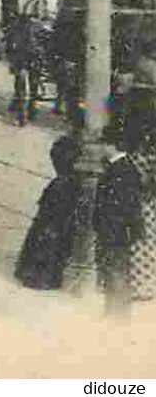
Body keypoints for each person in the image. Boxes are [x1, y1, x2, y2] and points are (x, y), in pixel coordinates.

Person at [96, 88, 155, 315]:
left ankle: (131, 287)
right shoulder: (145, 150)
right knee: (143, 243)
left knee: (137, 245)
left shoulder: (135, 150)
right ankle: (138, 285)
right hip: (143, 202)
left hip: (139, 201)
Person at [15, 135, 81, 290]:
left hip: (53, 222)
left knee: (46, 243)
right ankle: (41, 276)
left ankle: (40, 277)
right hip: (54, 220)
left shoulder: (63, 182)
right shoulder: (66, 181)